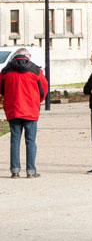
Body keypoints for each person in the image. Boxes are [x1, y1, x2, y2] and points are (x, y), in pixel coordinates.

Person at [0, 48, 48, 178]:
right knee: (30, 141)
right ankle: (31, 171)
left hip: (13, 109)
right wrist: (37, 101)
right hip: (30, 110)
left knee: (15, 141)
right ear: (27, 57)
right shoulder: (36, 70)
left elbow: (2, 89)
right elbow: (43, 89)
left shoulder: (5, 71)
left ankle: (15, 171)